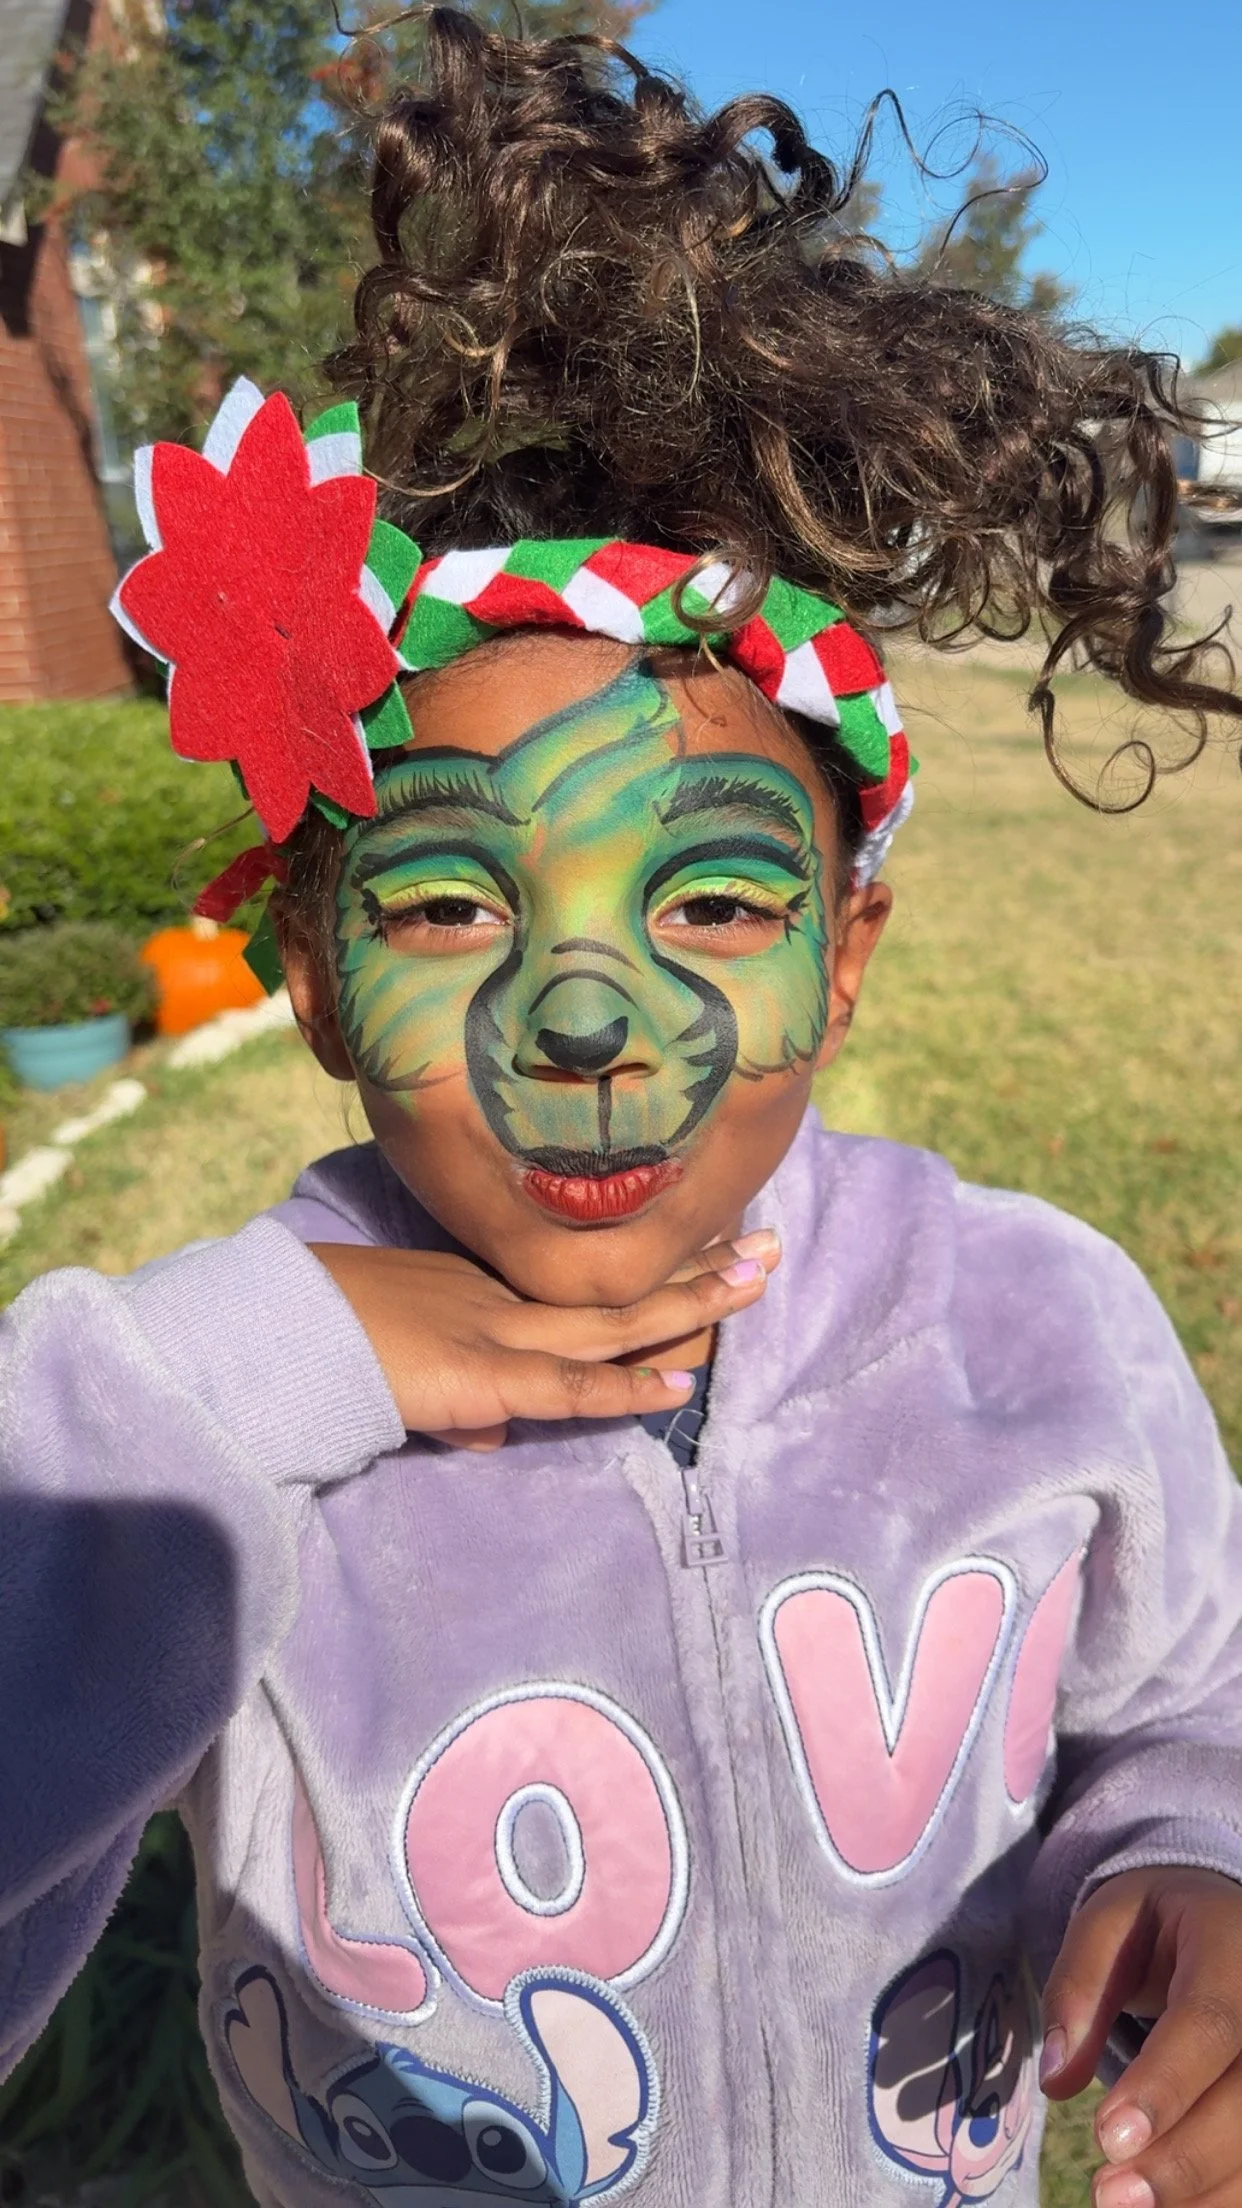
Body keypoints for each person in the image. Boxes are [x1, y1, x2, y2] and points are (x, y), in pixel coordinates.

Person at [4, 14, 1242, 2205]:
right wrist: (237, 1379)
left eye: (719, 899)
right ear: (314, 971)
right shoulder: (196, 1458)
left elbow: (1186, 1712)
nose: (585, 1015)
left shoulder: (1038, 1330)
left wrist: (1190, 1853)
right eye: (451, 899)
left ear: (844, 954)